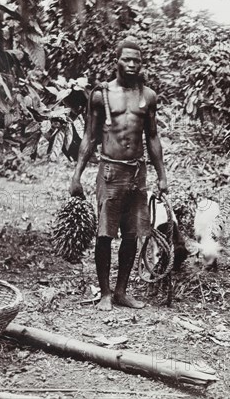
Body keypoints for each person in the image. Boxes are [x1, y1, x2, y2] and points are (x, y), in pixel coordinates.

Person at [69, 40, 168, 311]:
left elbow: (153, 136)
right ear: (117, 61)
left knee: (132, 234)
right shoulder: (102, 95)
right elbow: (90, 136)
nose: (133, 65)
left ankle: (122, 291)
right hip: (110, 171)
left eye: (137, 60)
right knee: (104, 234)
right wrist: (76, 175)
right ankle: (105, 293)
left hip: (138, 172)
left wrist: (162, 176)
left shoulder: (148, 96)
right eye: (127, 60)